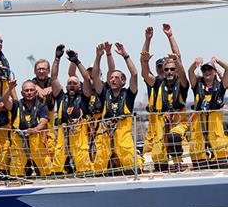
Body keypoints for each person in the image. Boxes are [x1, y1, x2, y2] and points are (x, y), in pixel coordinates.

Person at [92, 42, 144, 174]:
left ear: (123, 81)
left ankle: (137, 163)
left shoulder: (129, 94)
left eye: (116, 77)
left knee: (130, 162)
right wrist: (98, 56)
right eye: (111, 77)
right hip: (105, 133)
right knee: (99, 163)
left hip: (123, 134)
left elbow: (135, 75)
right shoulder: (105, 93)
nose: (113, 80)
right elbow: (95, 76)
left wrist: (125, 56)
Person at [50, 46, 97, 175]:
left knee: (83, 164)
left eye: (74, 83)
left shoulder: (84, 96)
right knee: (58, 162)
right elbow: (53, 78)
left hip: (79, 133)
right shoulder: (60, 96)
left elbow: (87, 79)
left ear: (80, 86)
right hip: (62, 133)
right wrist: (57, 58)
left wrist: (76, 61)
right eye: (69, 83)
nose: (71, 85)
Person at [141, 50, 190, 172]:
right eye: (166, 69)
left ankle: (178, 163)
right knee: (159, 161)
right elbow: (145, 74)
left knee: (174, 136)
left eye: (172, 69)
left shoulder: (182, 84)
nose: (169, 72)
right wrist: (145, 60)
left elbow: (182, 72)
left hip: (178, 123)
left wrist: (170, 37)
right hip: (160, 124)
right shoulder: (158, 83)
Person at [187, 57, 228, 169]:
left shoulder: (221, 85)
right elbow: (190, 72)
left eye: (210, 69)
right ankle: (202, 159)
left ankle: (219, 157)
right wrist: (195, 63)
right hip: (199, 120)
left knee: (220, 154)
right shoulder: (196, 85)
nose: (207, 72)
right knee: (198, 154)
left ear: (214, 71)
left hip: (215, 119)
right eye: (204, 70)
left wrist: (217, 61)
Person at [9, 80, 52, 177]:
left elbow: (44, 121)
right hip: (19, 144)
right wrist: (10, 88)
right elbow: (6, 102)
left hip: (37, 143)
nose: (29, 92)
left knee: (46, 169)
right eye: (26, 90)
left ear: (36, 92)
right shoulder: (16, 105)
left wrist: (35, 129)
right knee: (17, 171)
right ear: (22, 93)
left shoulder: (42, 106)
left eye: (31, 90)